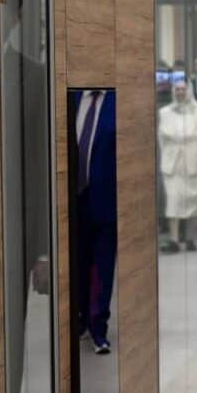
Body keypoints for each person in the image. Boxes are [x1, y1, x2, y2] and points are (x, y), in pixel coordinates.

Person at [73, 88, 117, 355]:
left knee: (102, 266)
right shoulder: (72, 97)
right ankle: (79, 319)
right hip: (74, 200)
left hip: (106, 200)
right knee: (77, 262)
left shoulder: (117, 100)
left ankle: (98, 325)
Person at [158, 80, 197, 252]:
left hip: (195, 161)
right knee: (173, 200)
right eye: (177, 89)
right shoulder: (164, 112)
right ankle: (174, 240)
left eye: (183, 89)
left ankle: (189, 238)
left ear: (188, 90)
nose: (180, 92)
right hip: (173, 164)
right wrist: (167, 156)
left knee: (195, 201)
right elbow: (161, 139)